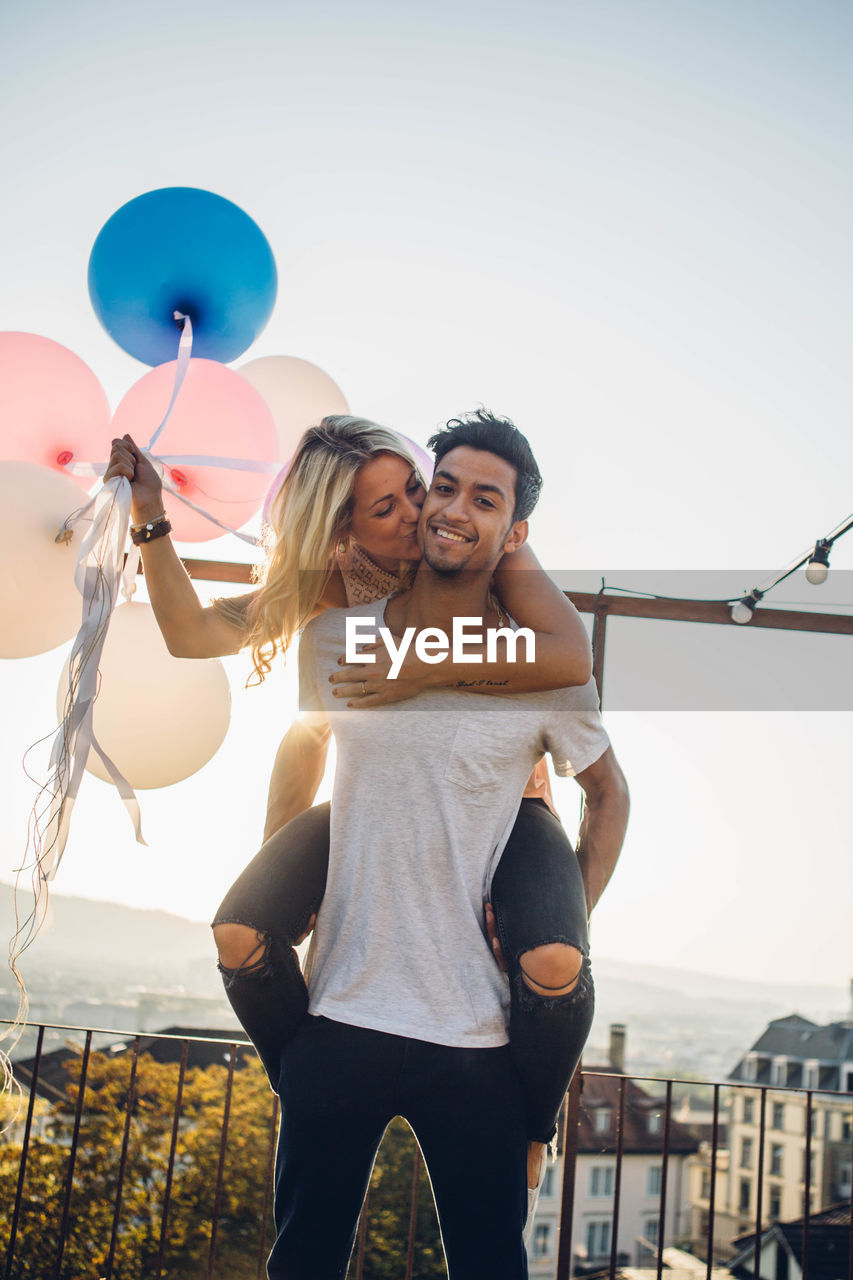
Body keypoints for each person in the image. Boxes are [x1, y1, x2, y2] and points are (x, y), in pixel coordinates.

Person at [104, 414, 600, 1221]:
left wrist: (418, 670)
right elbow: (200, 640)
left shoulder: (484, 548)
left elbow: (569, 657)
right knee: (239, 928)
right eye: (384, 509)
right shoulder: (342, 588)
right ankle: (307, 1076)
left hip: (507, 807)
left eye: (412, 486)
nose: (416, 513)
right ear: (344, 533)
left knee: (549, 956)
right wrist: (148, 516)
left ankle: (532, 1122)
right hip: (381, 797)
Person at [268, 413, 629, 1278]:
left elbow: (609, 795)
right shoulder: (335, 637)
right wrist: (284, 877)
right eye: (445, 486)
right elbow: (299, 752)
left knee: (486, 1266)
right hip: (339, 1013)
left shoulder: (538, 668)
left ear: (514, 532)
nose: (454, 508)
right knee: (301, 1265)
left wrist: (559, 921)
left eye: (486, 497)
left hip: (480, 1038)